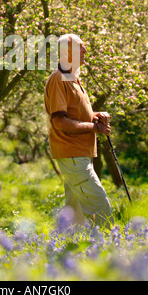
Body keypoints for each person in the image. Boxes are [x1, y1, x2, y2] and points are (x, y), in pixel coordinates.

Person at [44, 33, 114, 228]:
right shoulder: (58, 79)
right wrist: (95, 127)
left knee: (73, 215)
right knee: (100, 204)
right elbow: (60, 122)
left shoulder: (73, 78)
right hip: (72, 153)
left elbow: (75, 115)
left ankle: (67, 252)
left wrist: (95, 116)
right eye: (80, 47)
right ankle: (113, 248)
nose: (85, 50)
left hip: (79, 153)